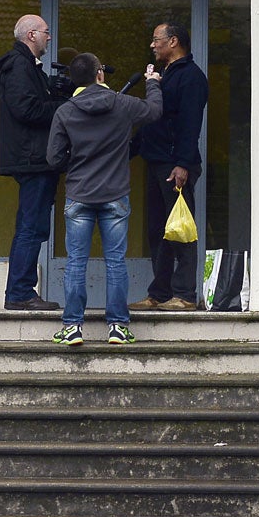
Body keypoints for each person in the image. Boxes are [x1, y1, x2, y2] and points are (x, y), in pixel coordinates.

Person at [45, 53, 163, 345]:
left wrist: (74, 163)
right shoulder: (122, 105)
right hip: (115, 195)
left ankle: (72, 326)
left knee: (75, 263)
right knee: (115, 263)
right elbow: (154, 112)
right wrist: (152, 83)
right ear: (100, 74)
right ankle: (118, 326)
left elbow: (53, 158)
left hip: (79, 194)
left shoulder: (65, 111)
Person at [131, 20, 209, 311]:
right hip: (157, 161)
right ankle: (160, 293)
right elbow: (154, 120)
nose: (152, 45)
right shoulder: (165, 75)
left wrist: (182, 164)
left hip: (174, 165)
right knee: (158, 230)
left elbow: (190, 124)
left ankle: (185, 295)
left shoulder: (191, 77)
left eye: (156, 39)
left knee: (180, 229)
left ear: (173, 41)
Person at [0, 13, 66, 312]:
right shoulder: (19, 66)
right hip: (33, 158)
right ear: (31, 35)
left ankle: (20, 289)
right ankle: (21, 291)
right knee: (31, 226)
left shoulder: (24, 67)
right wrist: (64, 107)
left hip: (33, 157)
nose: (49, 37)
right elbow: (26, 109)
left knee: (32, 225)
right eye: (46, 32)